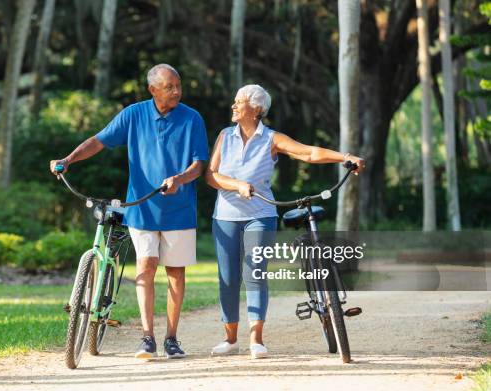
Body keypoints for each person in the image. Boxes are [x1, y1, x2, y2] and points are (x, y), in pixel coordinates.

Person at [50, 64, 209, 359]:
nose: (176, 91)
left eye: (178, 85)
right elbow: (99, 140)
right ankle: (147, 337)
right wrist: (69, 159)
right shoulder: (133, 114)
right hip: (141, 208)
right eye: (169, 86)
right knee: (145, 266)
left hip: (180, 209)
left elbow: (199, 164)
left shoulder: (192, 119)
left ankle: (171, 338)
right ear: (153, 90)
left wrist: (180, 179)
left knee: (175, 272)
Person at [205, 84, 364, 359]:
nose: (233, 106)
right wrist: (236, 184)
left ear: (256, 110)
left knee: (254, 271)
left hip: (261, 215)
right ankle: (230, 339)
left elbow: (308, 153)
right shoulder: (224, 136)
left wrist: (345, 157)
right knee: (228, 279)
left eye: (238, 102)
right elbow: (211, 175)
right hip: (225, 216)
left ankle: (256, 339)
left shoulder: (271, 139)